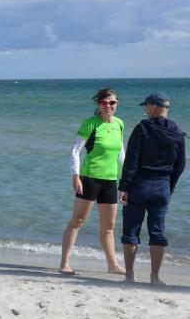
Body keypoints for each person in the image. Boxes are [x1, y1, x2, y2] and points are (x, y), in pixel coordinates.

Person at [118, 93, 185, 284]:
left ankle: (129, 275)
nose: (145, 109)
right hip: (162, 186)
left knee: (131, 230)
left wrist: (124, 187)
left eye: (146, 106)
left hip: (139, 185)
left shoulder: (142, 128)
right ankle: (155, 277)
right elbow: (180, 165)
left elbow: (131, 160)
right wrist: (170, 187)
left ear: (155, 107)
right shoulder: (177, 132)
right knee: (158, 231)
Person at [59, 88, 127, 275]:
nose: (108, 106)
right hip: (89, 179)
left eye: (112, 102)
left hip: (110, 180)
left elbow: (121, 153)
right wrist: (76, 176)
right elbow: (75, 151)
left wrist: (126, 181)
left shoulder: (120, 124)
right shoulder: (91, 124)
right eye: (104, 103)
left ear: (117, 104)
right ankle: (64, 263)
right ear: (99, 104)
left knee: (109, 226)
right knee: (78, 220)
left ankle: (112, 265)